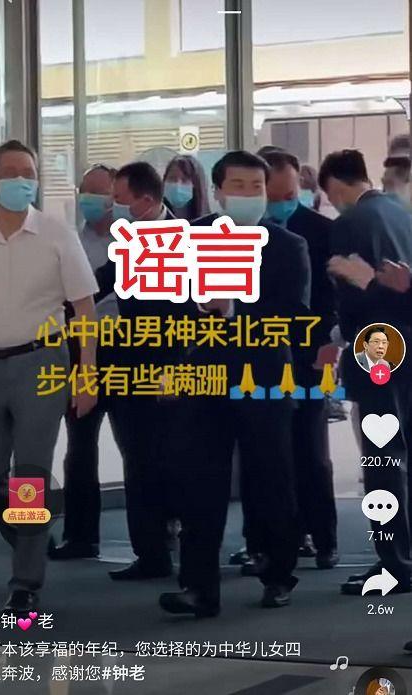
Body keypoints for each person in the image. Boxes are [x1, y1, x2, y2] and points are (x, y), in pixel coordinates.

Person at [159, 150, 311, 617]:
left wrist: (233, 308)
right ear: (219, 192)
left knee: (271, 479)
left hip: (264, 379)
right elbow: (167, 306)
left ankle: (278, 573)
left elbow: (294, 317)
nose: (248, 195)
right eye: (238, 186)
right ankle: (199, 587)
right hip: (203, 376)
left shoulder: (287, 246)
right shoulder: (190, 239)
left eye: (256, 187)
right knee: (200, 483)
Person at [0, 139, 98, 615]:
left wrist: (86, 374)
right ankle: (29, 533)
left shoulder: (55, 233)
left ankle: (26, 580)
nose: (21, 181)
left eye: (28, 173)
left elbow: (84, 307)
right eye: (11, 172)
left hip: (42, 362)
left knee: (29, 473)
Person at [94, 161, 198, 581]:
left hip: (173, 368)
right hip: (128, 368)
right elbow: (98, 283)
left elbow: (192, 316)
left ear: (146, 200)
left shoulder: (186, 242)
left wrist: (177, 369)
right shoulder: (129, 241)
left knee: (177, 458)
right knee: (137, 459)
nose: (113, 206)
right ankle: (151, 553)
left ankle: (187, 544)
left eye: (119, 199)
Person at [319, 148, 412, 596]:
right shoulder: (401, 212)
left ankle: (394, 563)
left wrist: (338, 336)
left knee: (382, 458)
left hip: (378, 348)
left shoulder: (349, 223)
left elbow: (352, 298)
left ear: (335, 188)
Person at [259, 148, 339, 570]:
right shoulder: (241, 235)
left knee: (311, 451)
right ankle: (275, 542)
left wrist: (331, 344)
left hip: (310, 356)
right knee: (268, 456)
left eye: (291, 194)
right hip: (260, 359)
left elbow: (335, 296)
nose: (285, 202)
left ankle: (324, 538)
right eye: (276, 196)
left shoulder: (323, 231)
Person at [50, 164, 117, 560]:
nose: (89, 200)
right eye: (84, 191)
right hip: (75, 349)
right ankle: (76, 535)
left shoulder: (135, 242)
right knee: (76, 447)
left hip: (125, 347)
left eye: (98, 192)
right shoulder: (70, 241)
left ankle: (159, 531)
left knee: (138, 446)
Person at [163, 154, 209, 221]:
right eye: (172, 178)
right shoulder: (154, 219)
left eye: (185, 180)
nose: (177, 185)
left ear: (196, 184)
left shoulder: (209, 222)